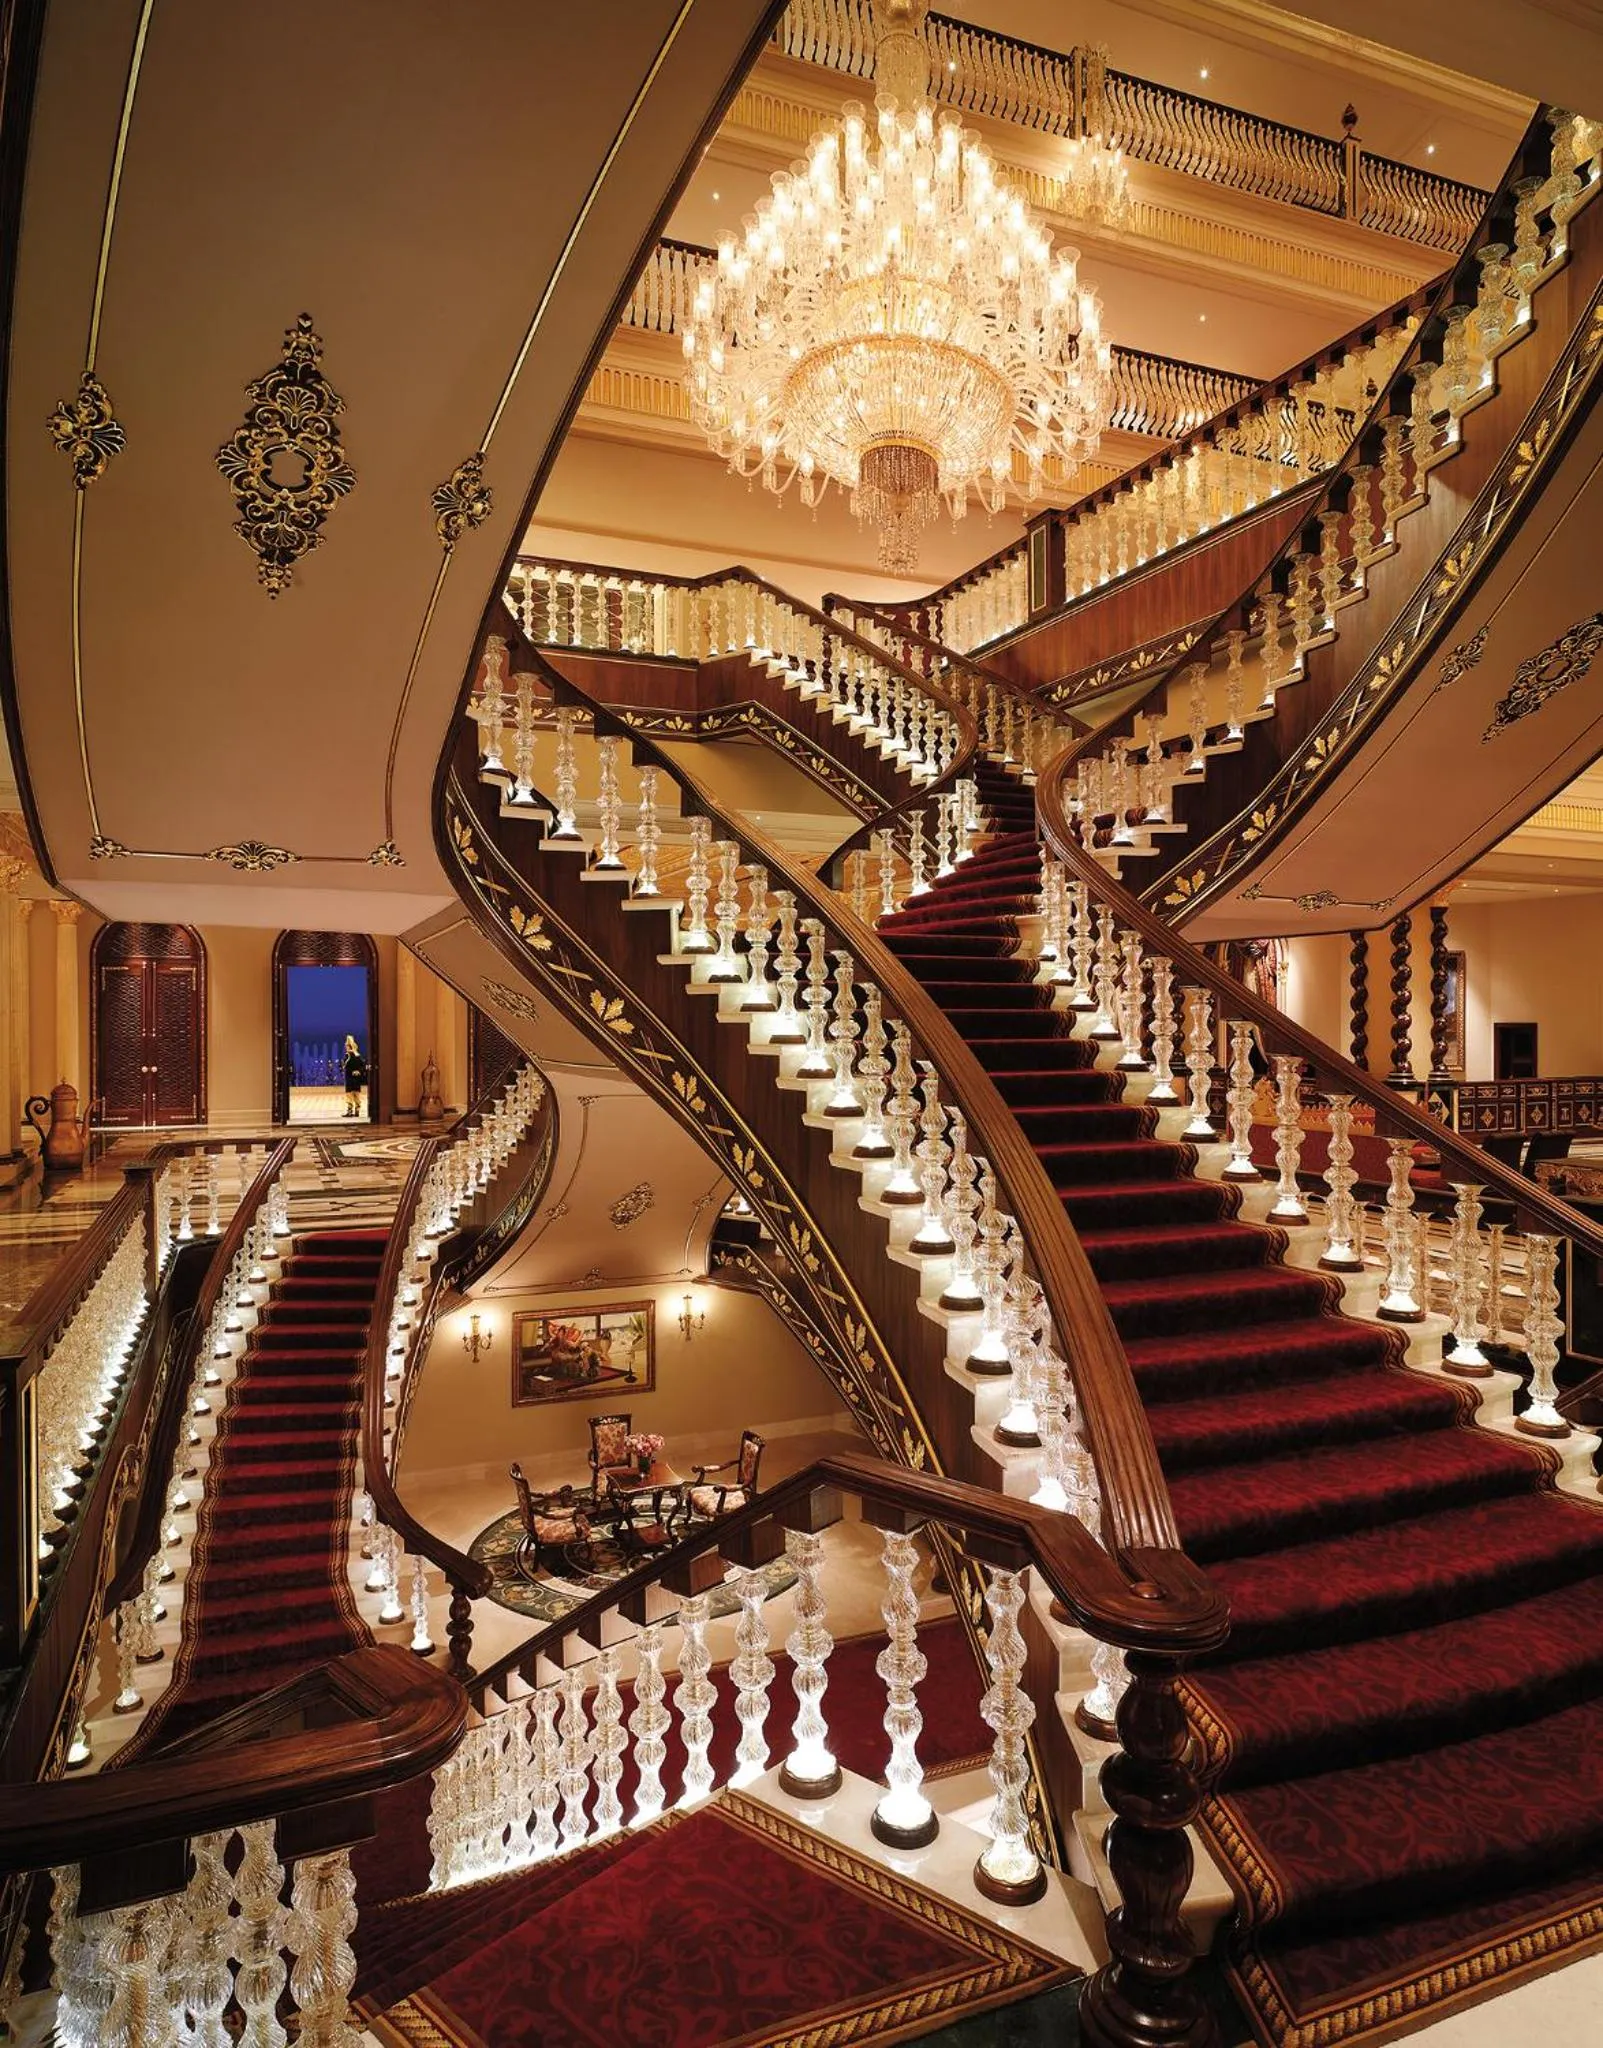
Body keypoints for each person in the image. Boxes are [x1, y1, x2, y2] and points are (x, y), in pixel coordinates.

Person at [343, 1034, 367, 1119]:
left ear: (348, 1046)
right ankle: (357, 1110)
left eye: (346, 1046)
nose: (345, 1047)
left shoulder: (348, 1056)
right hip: (356, 1078)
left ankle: (350, 1111)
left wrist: (352, 1071)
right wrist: (358, 1071)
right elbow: (363, 1066)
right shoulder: (358, 1055)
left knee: (349, 1095)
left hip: (349, 1078)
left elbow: (345, 1067)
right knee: (357, 1095)